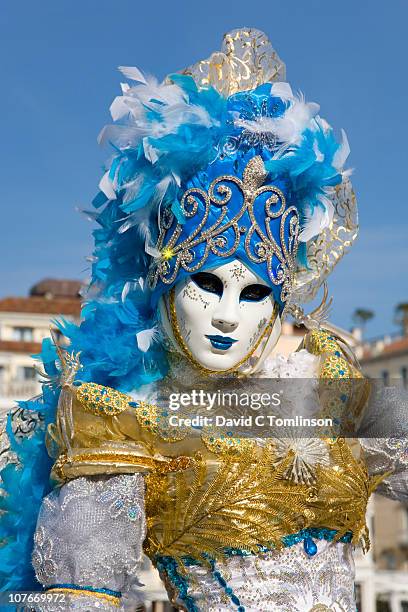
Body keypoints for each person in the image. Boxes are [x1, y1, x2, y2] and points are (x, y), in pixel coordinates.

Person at [1, 28, 407, 612]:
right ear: (167, 284)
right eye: (208, 283)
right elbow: (77, 598)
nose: (225, 314)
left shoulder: (330, 396)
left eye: (253, 293)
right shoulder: (126, 423)